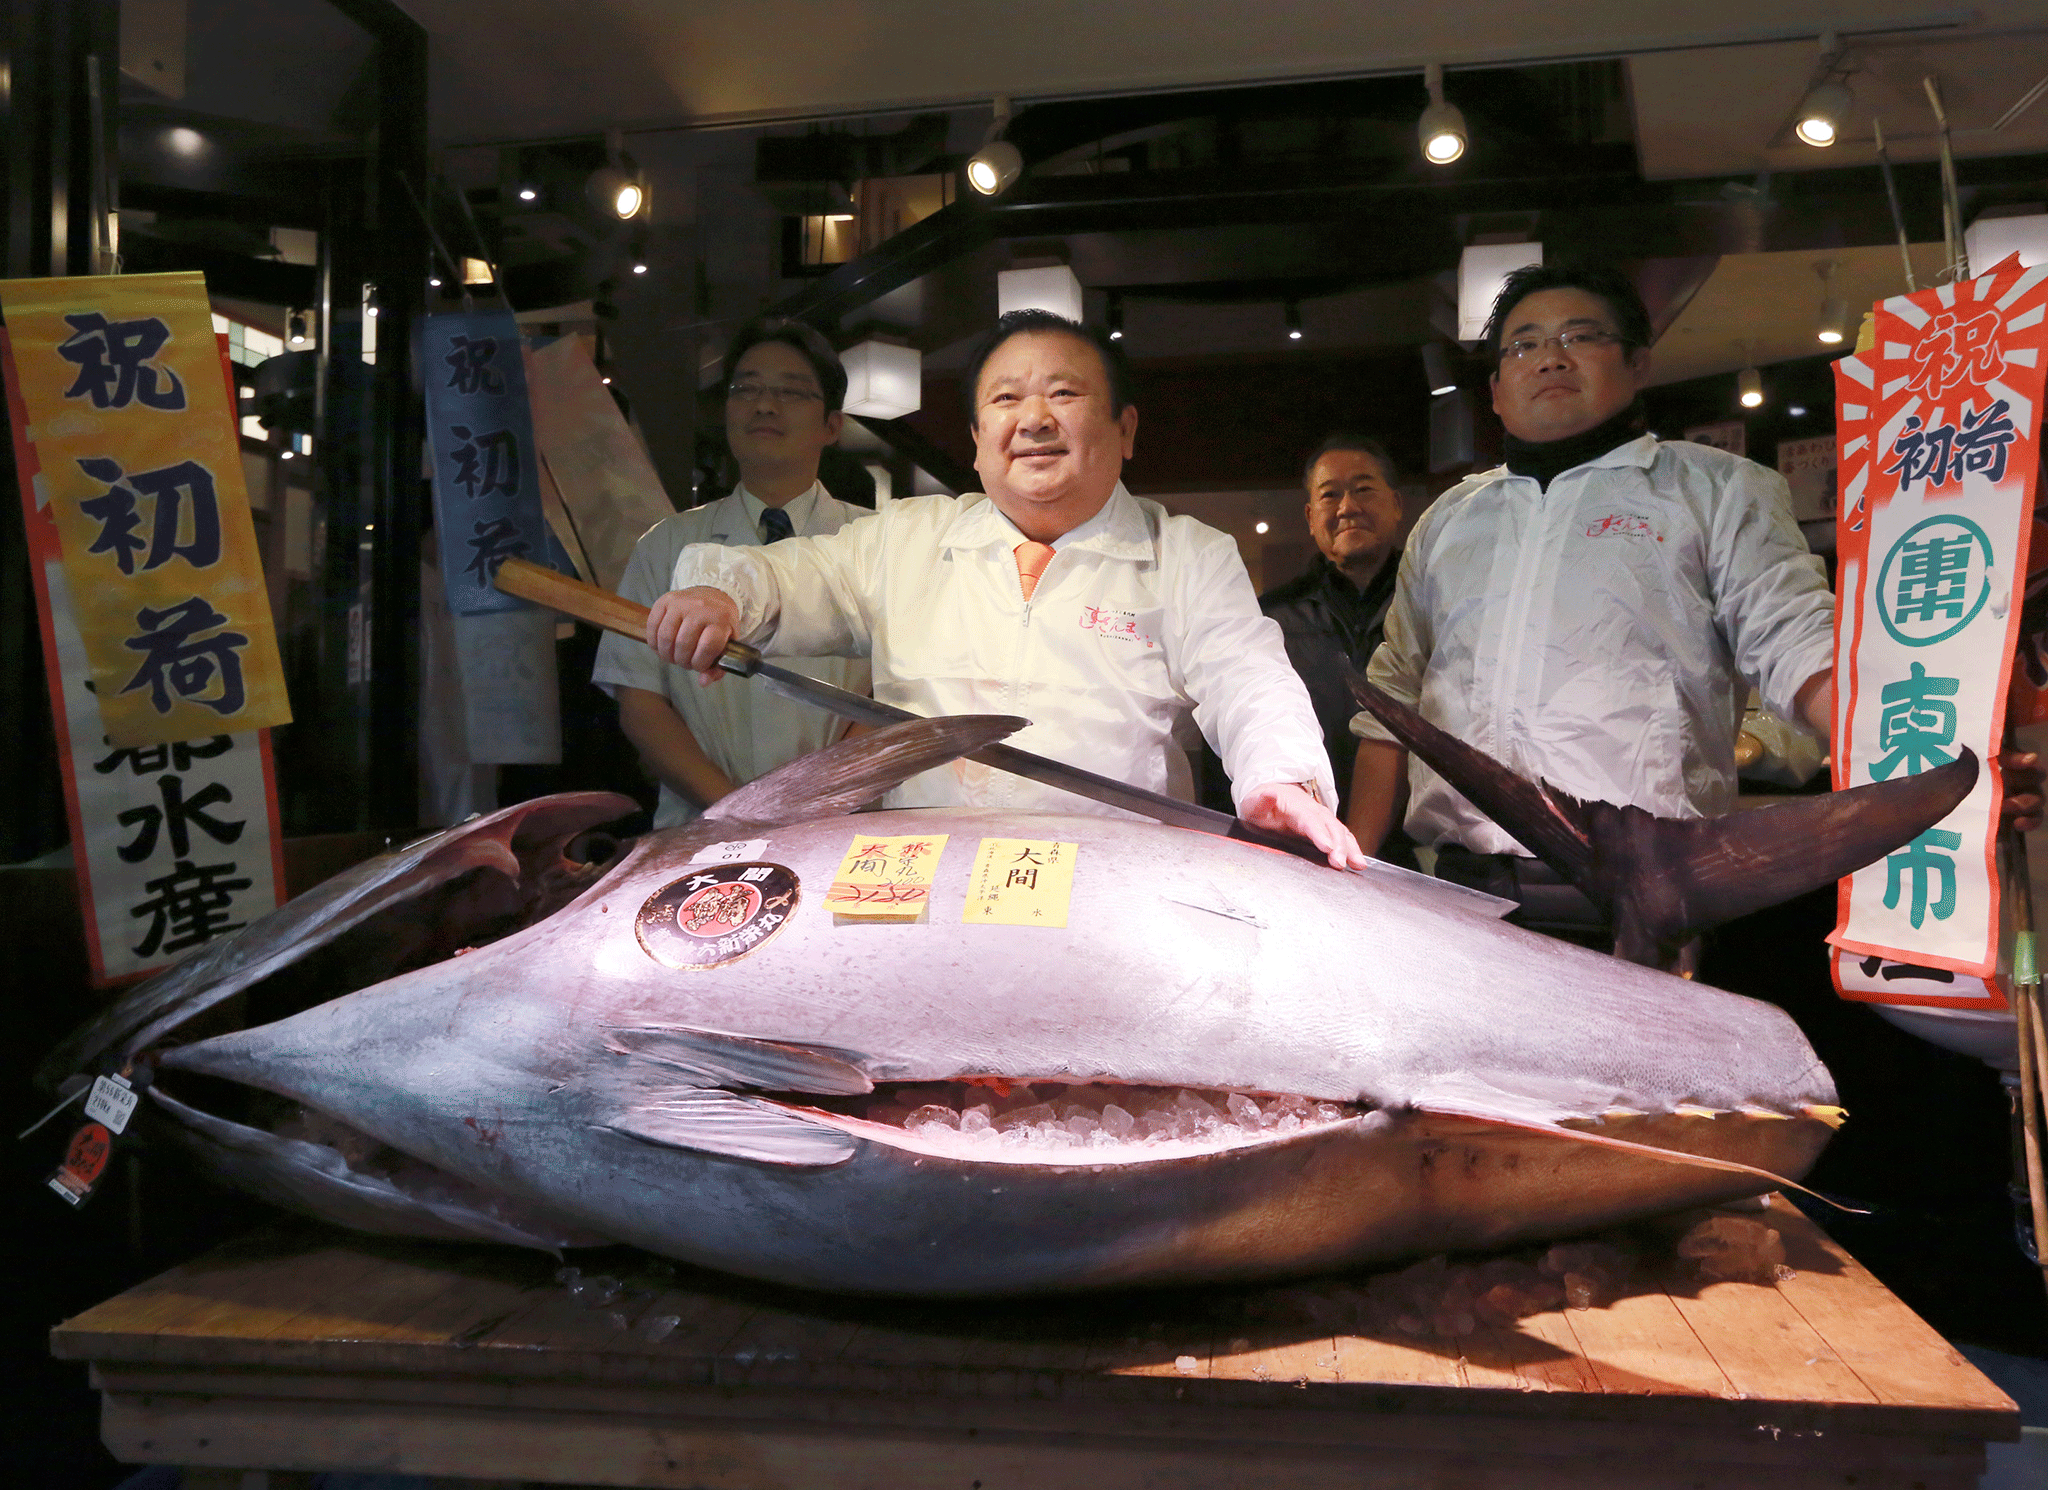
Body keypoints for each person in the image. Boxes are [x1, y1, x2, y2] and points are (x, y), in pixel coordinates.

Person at [1348, 262, 2041, 936]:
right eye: (1524, 344)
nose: (1551, 359)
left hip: (1639, 893)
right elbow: (1392, 705)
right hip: (1458, 892)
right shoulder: (1448, 520)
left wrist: (1936, 774)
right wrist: (1354, 861)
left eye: (1581, 336)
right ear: (1496, 388)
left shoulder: (1715, 488)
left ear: (1638, 363)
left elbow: (1796, 645)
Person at [642, 308, 1366, 869]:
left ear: (1126, 429)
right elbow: (796, 575)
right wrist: (722, 594)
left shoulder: (1185, 553)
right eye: (1006, 398)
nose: (1034, 418)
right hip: (919, 881)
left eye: (1064, 392)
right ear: (978, 437)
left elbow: (1247, 675)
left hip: (1113, 882)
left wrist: (1280, 781)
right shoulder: (908, 537)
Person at [592, 317, 872, 827]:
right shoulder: (665, 545)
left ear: (832, 424)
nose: (765, 405)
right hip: (699, 825)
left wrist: (815, 804)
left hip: (839, 823)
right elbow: (641, 703)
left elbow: (892, 697)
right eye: (747, 388)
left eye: (791, 391)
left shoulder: (876, 540)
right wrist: (736, 810)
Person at [1260, 433, 1407, 826]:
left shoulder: (1430, 607)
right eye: (1330, 495)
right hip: (1302, 838)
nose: (1348, 507)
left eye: (1363, 489)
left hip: (1424, 850)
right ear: (1310, 517)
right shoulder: (1272, 619)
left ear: (1396, 505)